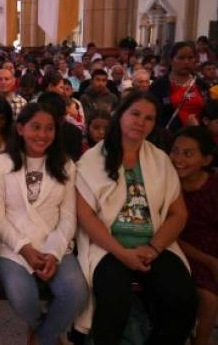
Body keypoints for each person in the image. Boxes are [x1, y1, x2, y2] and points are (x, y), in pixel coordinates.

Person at [75, 91, 197, 344]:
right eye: (135, 114)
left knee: (181, 297)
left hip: (154, 245)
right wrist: (122, 252)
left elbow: (178, 213)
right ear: (120, 114)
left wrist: (152, 248)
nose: (141, 122)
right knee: (113, 299)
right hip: (109, 247)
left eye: (149, 118)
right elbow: (85, 216)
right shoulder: (93, 159)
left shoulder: (160, 160)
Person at [0, 103, 87, 345]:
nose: (42, 135)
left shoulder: (65, 165)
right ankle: (49, 335)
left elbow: (68, 217)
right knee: (22, 296)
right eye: (35, 127)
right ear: (21, 128)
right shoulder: (1, 164)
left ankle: (41, 339)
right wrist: (24, 247)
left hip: (53, 243)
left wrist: (53, 252)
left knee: (76, 293)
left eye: (49, 128)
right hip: (12, 246)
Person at [169, 127, 218, 345]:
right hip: (183, 249)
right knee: (208, 297)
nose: (178, 159)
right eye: (175, 151)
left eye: (188, 153)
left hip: (213, 248)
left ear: (206, 159)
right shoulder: (168, 186)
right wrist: (211, 261)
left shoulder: (214, 185)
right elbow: (170, 235)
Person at [150, 41, 208, 134]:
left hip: (198, 136)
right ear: (171, 60)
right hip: (169, 137)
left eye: (190, 58)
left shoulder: (202, 85)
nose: (186, 62)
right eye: (181, 58)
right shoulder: (158, 86)